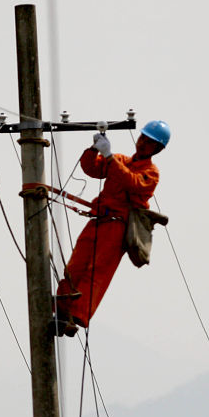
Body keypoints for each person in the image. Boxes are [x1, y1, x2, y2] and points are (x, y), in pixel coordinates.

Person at [53, 120, 171, 336]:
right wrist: (93, 149)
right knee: (75, 267)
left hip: (117, 226)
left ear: (158, 149)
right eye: (143, 137)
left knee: (96, 272)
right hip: (98, 220)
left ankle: (78, 314)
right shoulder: (120, 160)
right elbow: (92, 169)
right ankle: (61, 311)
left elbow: (131, 182)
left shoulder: (151, 172)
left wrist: (108, 156)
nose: (144, 143)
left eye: (150, 142)